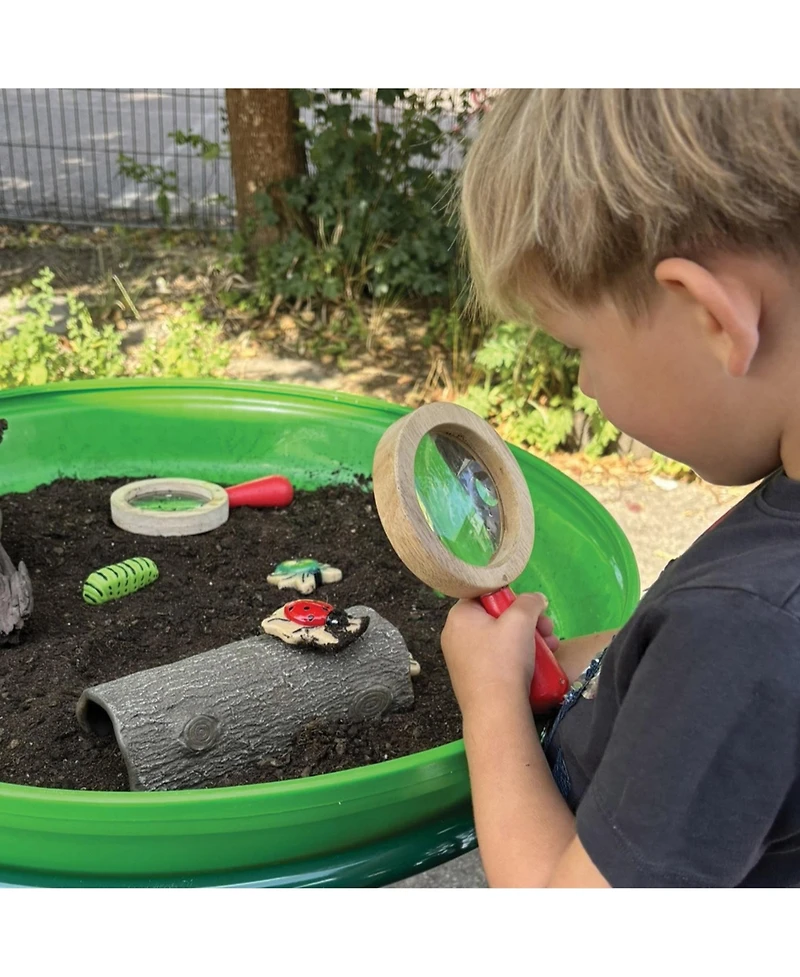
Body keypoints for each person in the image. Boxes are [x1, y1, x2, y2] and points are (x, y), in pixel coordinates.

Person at [445, 89, 800, 887]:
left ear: (712, 318)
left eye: (578, 345)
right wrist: (608, 662)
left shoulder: (744, 630)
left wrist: (491, 701)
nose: (583, 381)